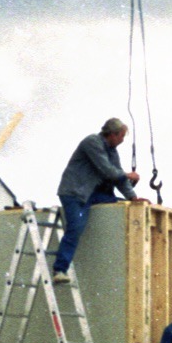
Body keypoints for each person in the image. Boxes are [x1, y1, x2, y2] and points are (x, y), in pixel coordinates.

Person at [52, 118, 140, 284]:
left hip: (91, 193)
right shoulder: (92, 142)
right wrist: (128, 175)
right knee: (76, 227)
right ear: (112, 134)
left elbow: (118, 177)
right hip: (75, 193)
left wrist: (133, 197)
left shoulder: (112, 150)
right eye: (121, 136)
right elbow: (107, 171)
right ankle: (60, 269)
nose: (122, 140)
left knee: (117, 203)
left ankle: (61, 267)